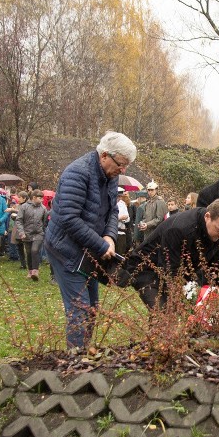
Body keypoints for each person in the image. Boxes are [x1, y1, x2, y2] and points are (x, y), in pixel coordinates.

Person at [44, 131, 137, 352]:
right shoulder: (77, 173)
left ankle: (83, 352)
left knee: (92, 308)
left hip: (89, 250)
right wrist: (101, 245)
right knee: (80, 309)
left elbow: (112, 210)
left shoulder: (110, 176)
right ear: (104, 155)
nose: (123, 170)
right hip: (65, 249)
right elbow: (69, 218)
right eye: (121, 164)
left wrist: (109, 236)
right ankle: (75, 361)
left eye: (126, 166)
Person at [123, 198, 219, 309]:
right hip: (147, 268)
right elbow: (169, 271)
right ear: (207, 216)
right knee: (164, 312)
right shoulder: (180, 229)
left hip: (179, 268)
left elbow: (217, 265)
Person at [16, 190, 49, 280]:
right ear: (34, 198)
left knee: (35, 250)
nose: (42, 200)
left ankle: (35, 271)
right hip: (27, 234)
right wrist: (22, 232)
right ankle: (30, 271)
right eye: (40, 198)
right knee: (29, 253)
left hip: (39, 233)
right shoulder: (24, 207)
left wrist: (43, 231)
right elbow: (19, 220)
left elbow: (45, 221)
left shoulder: (43, 208)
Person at [115, 188, 131, 256]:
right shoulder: (110, 203)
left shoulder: (122, 204)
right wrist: (119, 218)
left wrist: (124, 218)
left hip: (121, 232)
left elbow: (128, 218)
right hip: (113, 231)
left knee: (120, 254)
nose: (119, 198)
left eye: (120, 196)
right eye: (118, 196)